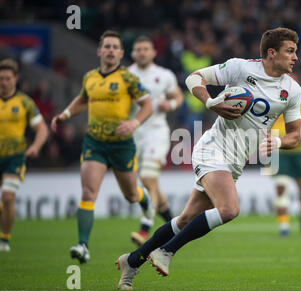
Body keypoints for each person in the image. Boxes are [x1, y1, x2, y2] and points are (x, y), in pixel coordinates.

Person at [116, 27, 301, 290]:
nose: (296, 57)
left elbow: (296, 135)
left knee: (184, 219)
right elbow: (194, 78)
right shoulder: (240, 68)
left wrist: (279, 141)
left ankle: (132, 261)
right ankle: (167, 252)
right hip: (213, 149)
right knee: (229, 209)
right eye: (290, 51)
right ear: (271, 53)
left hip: (235, 162)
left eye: (296, 51)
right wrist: (210, 102)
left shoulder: (292, 90)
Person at [51, 30, 153, 263]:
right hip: (95, 143)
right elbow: (83, 99)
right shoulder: (90, 78)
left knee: (130, 195)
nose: (110, 50)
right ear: (99, 51)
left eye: (115, 47)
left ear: (121, 53)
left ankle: (146, 203)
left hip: (121, 145)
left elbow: (147, 105)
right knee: (88, 192)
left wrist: (134, 123)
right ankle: (83, 245)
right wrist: (65, 114)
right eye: (106, 46)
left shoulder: (128, 79)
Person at [128, 35, 184, 246]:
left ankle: (144, 229)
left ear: (153, 52)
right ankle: (175, 225)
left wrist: (170, 105)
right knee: (148, 183)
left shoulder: (164, 75)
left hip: (157, 132)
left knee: (147, 176)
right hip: (134, 134)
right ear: (133, 53)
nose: (142, 52)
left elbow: (178, 96)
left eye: (146, 49)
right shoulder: (126, 76)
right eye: (138, 49)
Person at [0, 58, 48, 252]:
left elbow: (42, 128)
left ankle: (4, 239)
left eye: (7, 78)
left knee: (8, 196)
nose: (3, 82)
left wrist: (36, 146)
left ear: (16, 78)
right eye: (1, 78)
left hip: (15, 156)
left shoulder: (24, 102)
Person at [270, 92, 301, 236]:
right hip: (277, 151)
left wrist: (297, 137)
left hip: (300, 151)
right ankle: (284, 227)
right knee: (281, 188)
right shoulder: (270, 96)